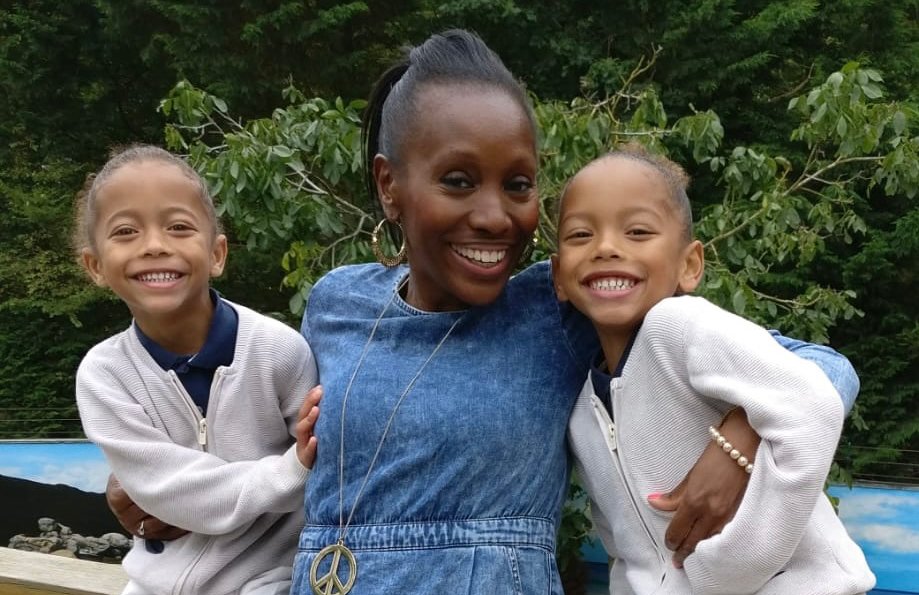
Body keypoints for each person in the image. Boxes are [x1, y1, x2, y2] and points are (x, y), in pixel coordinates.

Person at [287, 30, 861, 595]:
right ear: (390, 186)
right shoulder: (338, 303)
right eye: (458, 182)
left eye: (518, 185)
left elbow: (823, 371)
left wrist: (738, 444)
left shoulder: (558, 306)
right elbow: (271, 454)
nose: (494, 216)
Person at [555, 146, 875, 594]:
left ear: (689, 266)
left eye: (638, 231)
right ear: (557, 276)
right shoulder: (580, 412)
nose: (606, 247)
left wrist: (723, 572)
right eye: (580, 234)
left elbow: (812, 406)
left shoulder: (682, 328)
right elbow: (627, 551)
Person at [73, 144, 322, 595]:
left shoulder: (281, 351)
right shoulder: (103, 376)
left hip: (269, 579)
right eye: (126, 231)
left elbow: (328, 464)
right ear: (95, 266)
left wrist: (306, 463)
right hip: (153, 583)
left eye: (179, 227)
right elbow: (171, 490)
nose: (154, 245)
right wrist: (291, 471)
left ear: (217, 254)